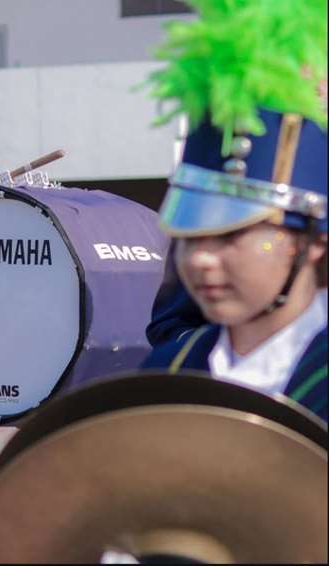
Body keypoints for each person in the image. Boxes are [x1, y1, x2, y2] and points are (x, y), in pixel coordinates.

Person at [141, 0, 327, 422]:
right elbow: (172, 321)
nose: (203, 258)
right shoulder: (170, 370)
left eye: (230, 235)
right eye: (192, 238)